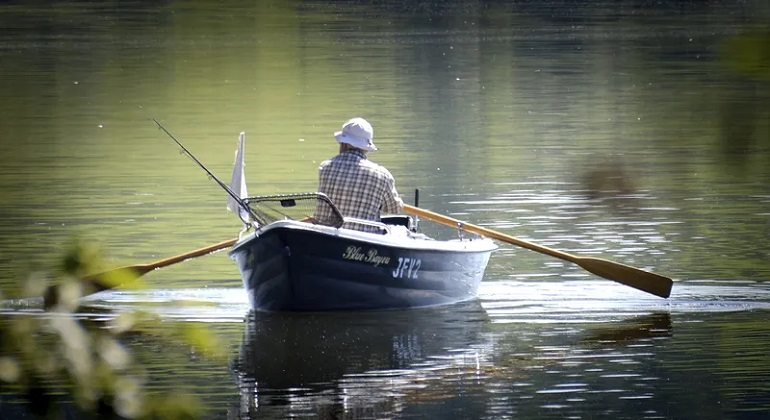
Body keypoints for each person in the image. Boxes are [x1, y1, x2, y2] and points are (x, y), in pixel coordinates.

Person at [314, 117, 404, 232]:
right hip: (363, 240)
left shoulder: (324, 167)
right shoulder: (382, 175)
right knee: (401, 231)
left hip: (325, 236)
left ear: (344, 144)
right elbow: (394, 209)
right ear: (365, 147)